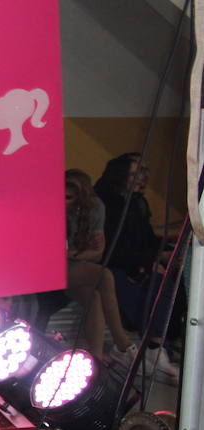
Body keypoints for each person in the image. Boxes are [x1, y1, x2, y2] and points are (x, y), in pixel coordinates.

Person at [94, 154, 180, 380]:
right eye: (136, 173)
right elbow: (111, 248)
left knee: (164, 283)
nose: (144, 177)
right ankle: (137, 348)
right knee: (127, 284)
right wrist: (149, 260)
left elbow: (147, 238)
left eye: (145, 171)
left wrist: (164, 253)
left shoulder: (137, 202)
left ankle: (156, 347)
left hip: (137, 262)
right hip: (112, 265)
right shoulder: (104, 202)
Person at [64, 168, 134, 361]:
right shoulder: (52, 208)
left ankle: (95, 356)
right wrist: (77, 254)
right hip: (52, 268)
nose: (65, 201)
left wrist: (70, 254)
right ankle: (122, 342)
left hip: (73, 267)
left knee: (93, 297)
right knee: (104, 276)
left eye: (69, 197)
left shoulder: (95, 208)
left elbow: (97, 254)